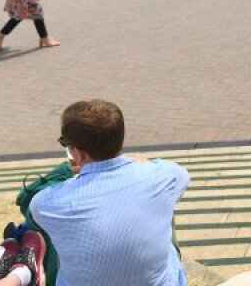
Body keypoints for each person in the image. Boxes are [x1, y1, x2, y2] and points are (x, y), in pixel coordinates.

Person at [28, 100, 189, 286]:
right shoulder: (164, 175)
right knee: (164, 205)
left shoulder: (46, 203)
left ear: (79, 154)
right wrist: (139, 161)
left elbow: (37, 211)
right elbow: (181, 176)